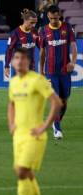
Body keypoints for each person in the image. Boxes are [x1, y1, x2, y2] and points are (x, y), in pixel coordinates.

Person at [8, 48, 62, 195]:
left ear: (29, 62)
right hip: (19, 136)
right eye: (16, 58)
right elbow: (11, 103)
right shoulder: (14, 82)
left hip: (35, 136)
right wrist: (11, 123)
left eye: (23, 58)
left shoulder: (37, 80)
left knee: (22, 171)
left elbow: (57, 102)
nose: (19, 61)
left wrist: (44, 126)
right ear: (13, 62)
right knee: (26, 174)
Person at [39, 4, 77, 139]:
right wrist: (41, 70)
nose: (53, 21)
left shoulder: (67, 28)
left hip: (65, 71)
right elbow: (42, 52)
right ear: (48, 17)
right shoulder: (43, 31)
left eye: (55, 18)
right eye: (51, 19)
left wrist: (73, 62)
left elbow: (73, 46)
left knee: (64, 100)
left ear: (59, 15)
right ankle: (57, 128)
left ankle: (57, 122)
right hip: (50, 71)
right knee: (56, 100)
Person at [5, 9, 39, 78]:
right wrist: (6, 65)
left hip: (32, 68)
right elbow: (9, 50)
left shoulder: (35, 32)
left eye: (35, 23)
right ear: (25, 20)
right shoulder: (15, 33)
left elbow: (41, 46)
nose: (34, 25)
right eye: (31, 22)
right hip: (19, 69)